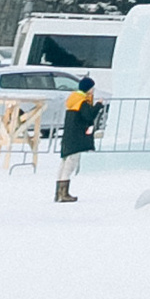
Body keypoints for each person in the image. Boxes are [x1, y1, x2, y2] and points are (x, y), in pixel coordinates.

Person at [53, 71, 100, 205]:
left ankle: (59, 193)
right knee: (70, 164)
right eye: (92, 88)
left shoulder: (74, 100)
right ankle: (63, 194)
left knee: (64, 163)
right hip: (76, 137)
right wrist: (98, 105)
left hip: (69, 136)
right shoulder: (82, 102)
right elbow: (88, 116)